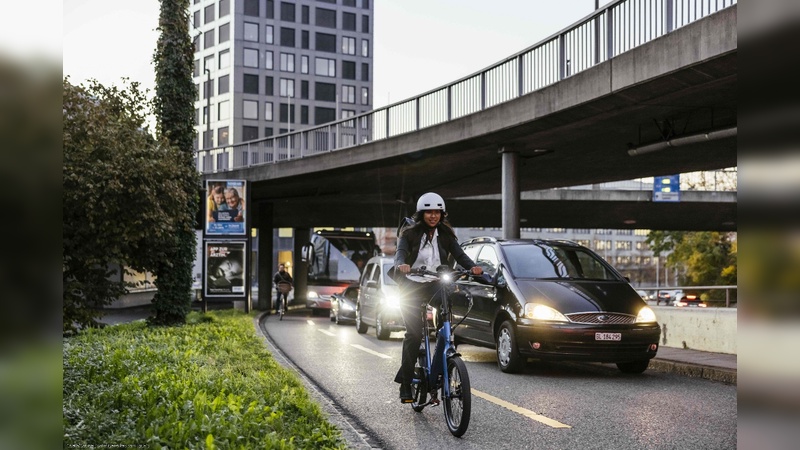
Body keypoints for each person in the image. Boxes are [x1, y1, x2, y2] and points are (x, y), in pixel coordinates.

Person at [393, 192, 482, 403]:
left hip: (434, 284)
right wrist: (401, 265)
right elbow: (400, 252)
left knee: (447, 321)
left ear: (442, 214)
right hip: (411, 286)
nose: (433, 216)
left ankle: (445, 358)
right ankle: (406, 383)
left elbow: (460, 255)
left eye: (437, 212)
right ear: (422, 214)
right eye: (429, 212)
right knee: (414, 335)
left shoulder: (446, 234)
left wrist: (473, 267)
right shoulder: (410, 234)